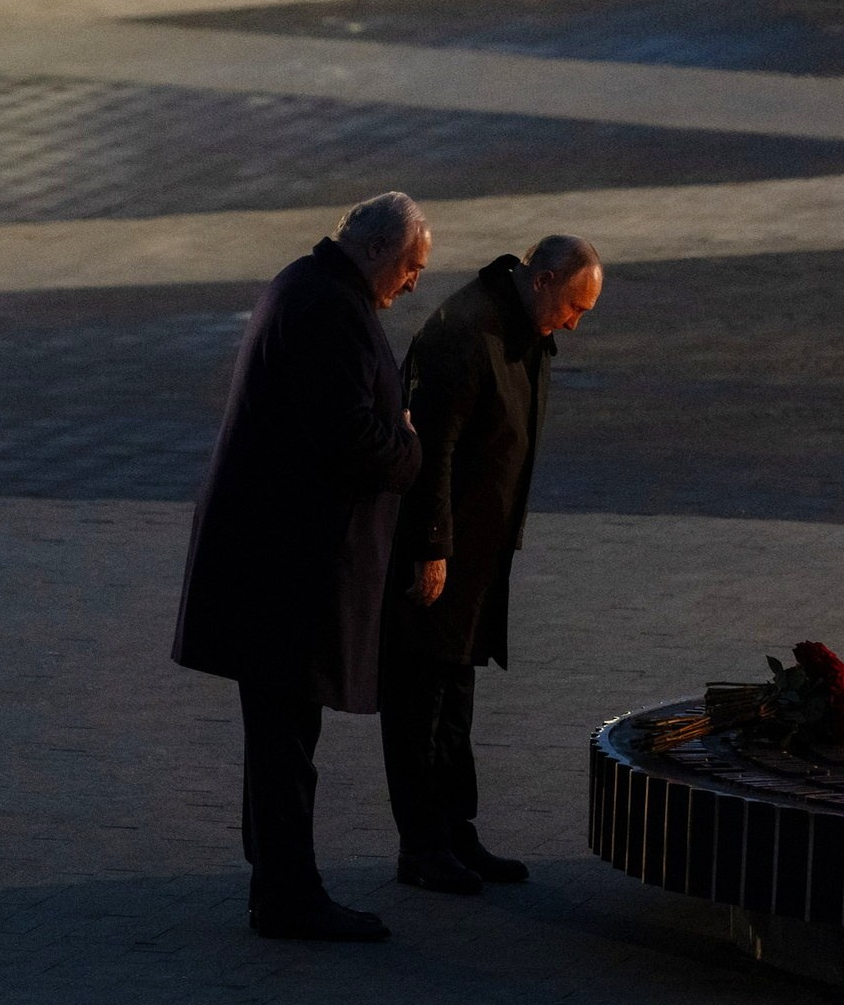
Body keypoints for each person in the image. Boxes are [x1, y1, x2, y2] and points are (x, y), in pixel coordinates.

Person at [173, 192, 430, 941]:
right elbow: (352, 439)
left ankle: (276, 873)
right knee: (286, 735)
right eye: (411, 265)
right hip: (286, 567)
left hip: (271, 560)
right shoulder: (329, 308)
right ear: (377, 250)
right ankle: (287, 893)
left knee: (279, 732)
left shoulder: (307, 284)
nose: (414, 281)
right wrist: (410, 445)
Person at [381, 235, 603, 894]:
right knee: (420, 702)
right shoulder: (467, 331)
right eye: (574, 307)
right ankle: (422, 846)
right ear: (543, 280)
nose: (575, 324)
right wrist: (431, 547)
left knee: (454, 698)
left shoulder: (520, 329)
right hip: (440, 555)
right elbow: (432, 451)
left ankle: (456, 832)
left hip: (475, 557)